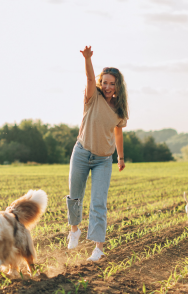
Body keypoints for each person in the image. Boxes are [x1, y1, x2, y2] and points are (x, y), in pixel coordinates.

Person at [66, 45, 129, 262]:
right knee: (75, 195)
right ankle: (74, 230)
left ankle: (98, 248)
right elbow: (90, 78)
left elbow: (118, 132)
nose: (108, 86)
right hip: (82, 153)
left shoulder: (119, 110)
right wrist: (88, 59)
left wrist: (120, 157)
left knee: (98, 203)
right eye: (105, 82)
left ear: (118, 85)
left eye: (112, 83)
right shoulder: (92, 97)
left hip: (104, 160)